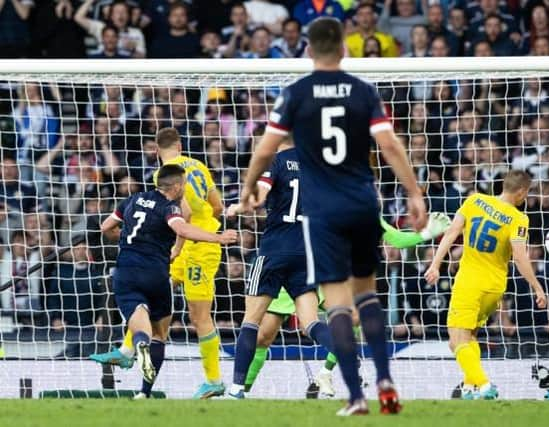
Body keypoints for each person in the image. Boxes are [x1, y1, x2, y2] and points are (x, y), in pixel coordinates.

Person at [237, 17, 427, 416]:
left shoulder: (296, 94)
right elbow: (390, 145)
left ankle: (355, 396)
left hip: (321, 215)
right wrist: (413, 193)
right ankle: (385, 382)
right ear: (344, 49)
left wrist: (249, 187)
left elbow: (266, 148)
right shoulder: (363, 91)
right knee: (367, 298)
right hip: (359, 202)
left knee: (337, 306)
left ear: (308, 50)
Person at [90, 128, 230, 399]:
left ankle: (214, 380)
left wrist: (178, 247)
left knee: (199, 316)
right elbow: (218, 206)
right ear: (179, 145)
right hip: (195, 242)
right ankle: (127, 350)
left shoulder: (165, 175)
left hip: (197, 247)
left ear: (156, 150)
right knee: (157, 297)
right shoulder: (198, 165)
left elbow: (185, 214)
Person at [227, 138, 336, 399]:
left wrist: (237, 206)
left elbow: (259, 197)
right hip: (305, 254)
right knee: (310, 322)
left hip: (274, 251)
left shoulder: (274, 161)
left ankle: (236, 389)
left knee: (251, 322)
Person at [425, 170, 547, 400]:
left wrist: (435, 264)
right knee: (470, 336)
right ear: (521, 192)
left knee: (455, 341)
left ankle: (483, 385)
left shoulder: (474, 200)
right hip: (495, 288)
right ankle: (470, 390)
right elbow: (520, 258)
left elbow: (451, 233)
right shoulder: (519, 219)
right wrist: (537, 287)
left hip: (469, 282)